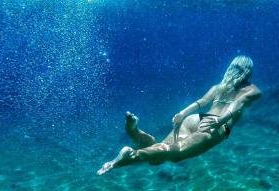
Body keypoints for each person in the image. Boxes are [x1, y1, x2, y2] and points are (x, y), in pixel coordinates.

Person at [97, 55, 262, 175]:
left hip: (197, 118)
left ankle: (134, 132)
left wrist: (182, 114)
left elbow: (201, 102)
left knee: (159, 155)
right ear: (248, 71)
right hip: (218, 126)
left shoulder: (219, 87)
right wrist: (220, 121)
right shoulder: (252, 90)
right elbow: (236, 106)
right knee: (176, 154)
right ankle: (132, 155)